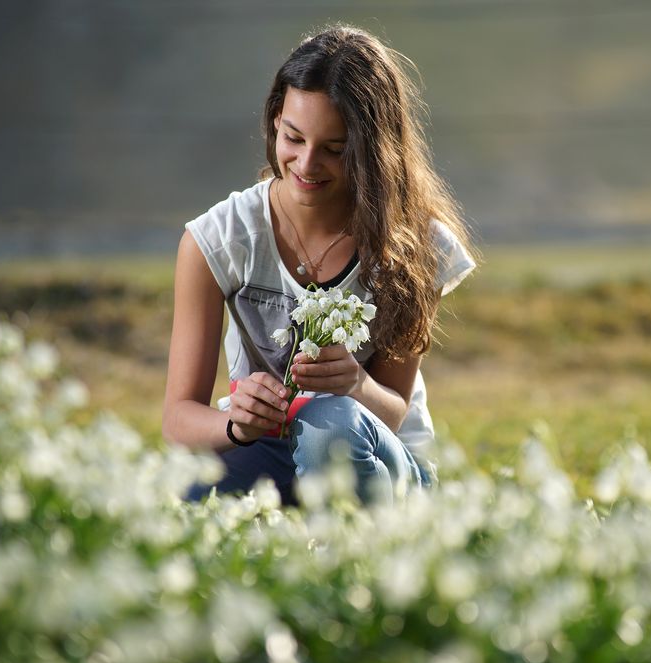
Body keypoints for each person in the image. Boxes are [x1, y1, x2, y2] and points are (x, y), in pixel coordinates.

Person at [162, 25, 476, 505]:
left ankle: (353, 556)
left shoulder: (411, 245)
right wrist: (235, 422)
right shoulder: (218, 240)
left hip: (377, 458)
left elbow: (393, 412)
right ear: (274, 121)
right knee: (183, 497)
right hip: (267, 448)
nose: (307, 165)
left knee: (330, 425)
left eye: (335, 149)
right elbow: (179, 419)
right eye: (293, 138)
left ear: (375, 150)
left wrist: (354, 383)